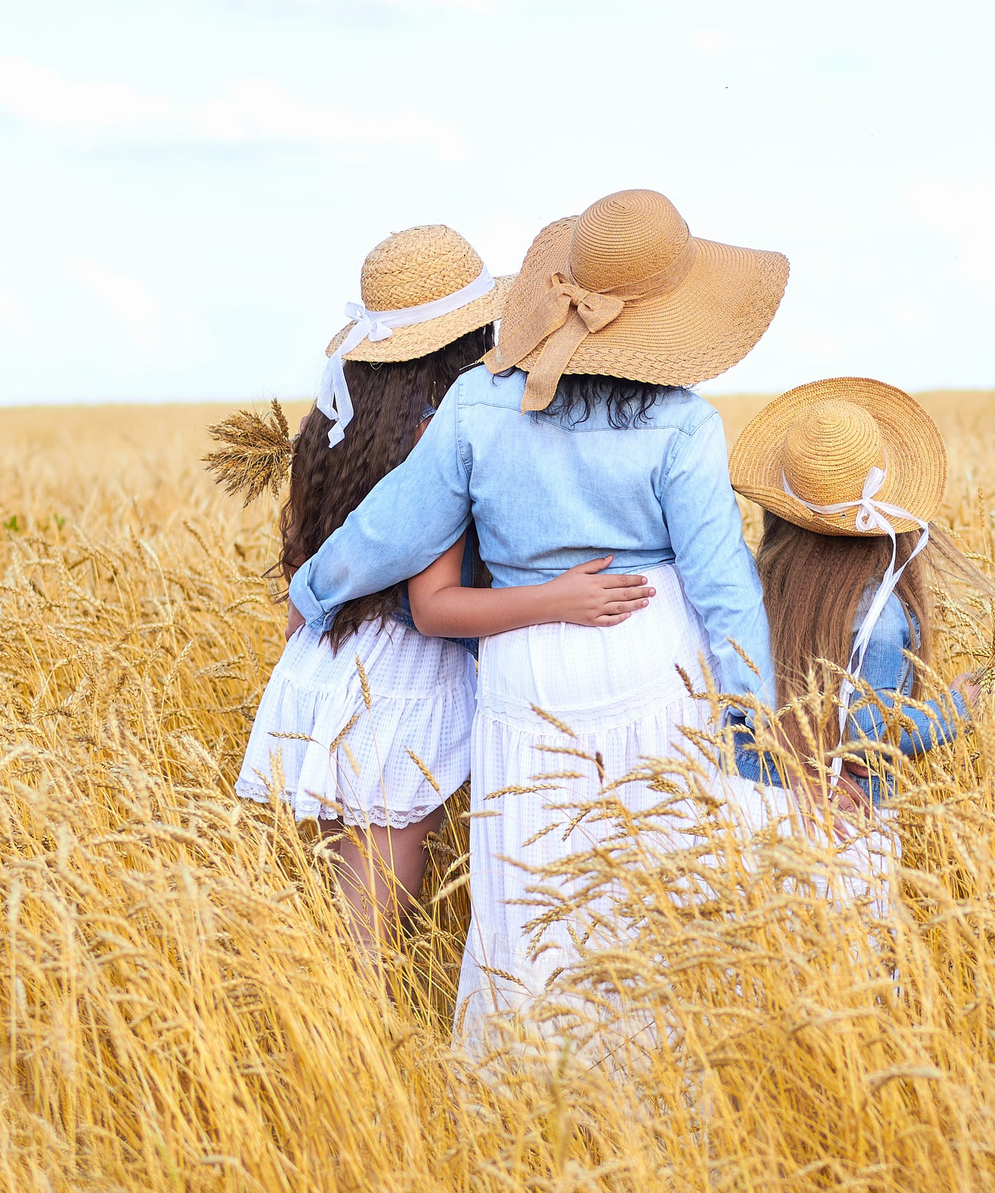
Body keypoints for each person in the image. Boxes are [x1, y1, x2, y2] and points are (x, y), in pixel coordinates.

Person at [281, 189, 791, 1049]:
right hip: (654, 649)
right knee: (652, 880)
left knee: (531, 880)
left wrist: (312, 594)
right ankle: (655, 1079)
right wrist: (758, 722)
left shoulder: (479, 406)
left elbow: (393, 528)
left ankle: (526, 1086)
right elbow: (723, 586)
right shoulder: (683, 425)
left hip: (523, 660)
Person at [233, 225, 644, 960]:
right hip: (400, 683)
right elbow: (435, 604)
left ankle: (318, 1047)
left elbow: (306, 566)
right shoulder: (437, 433)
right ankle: (347, 1062)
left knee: (341, 918)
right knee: (368, 940)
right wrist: (560, 598)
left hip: (325, 666)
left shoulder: (332, 422)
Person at [728, 378, 982, 813]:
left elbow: (731, 710)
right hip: (847, 817)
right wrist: (954, 711)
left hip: (755, 794)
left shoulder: (756, 586)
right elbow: (867, 729)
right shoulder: (878, 613)